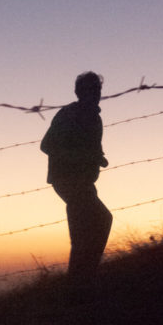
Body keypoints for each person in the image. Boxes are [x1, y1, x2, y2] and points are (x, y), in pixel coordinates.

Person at [40, 71, 112, 295]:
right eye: (91, 90)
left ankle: (81, 282)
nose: (96, 94)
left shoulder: (92, 116)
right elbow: (47, 145)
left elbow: (88, 147)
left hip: (82, 179)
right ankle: (80, 284)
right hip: (69, 179)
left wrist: (97, 157)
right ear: (80, 92)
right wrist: (82, 157)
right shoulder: (70, 114)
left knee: (89, 226)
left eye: (98, 90)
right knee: (97, 222)